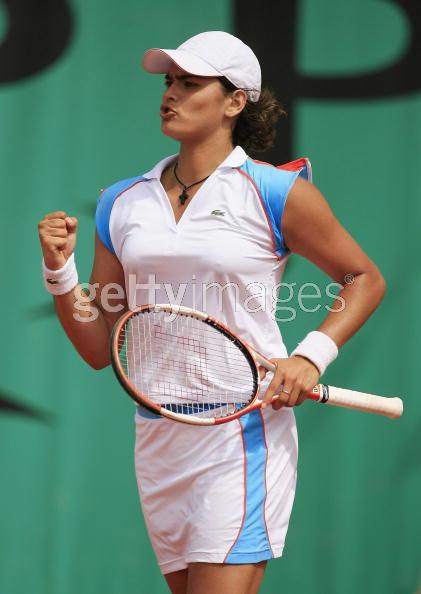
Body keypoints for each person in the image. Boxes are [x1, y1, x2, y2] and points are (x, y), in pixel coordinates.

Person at [38, 31, 386, 594]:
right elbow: (101, 347)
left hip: (241, 432)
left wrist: (311, 356)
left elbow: (365, 278)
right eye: (169, 81)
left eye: (190, 83)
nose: (170, 93)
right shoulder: (121, 202)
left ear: (235, 101)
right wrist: (60, 273)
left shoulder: (275, 191)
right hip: (157, 435)